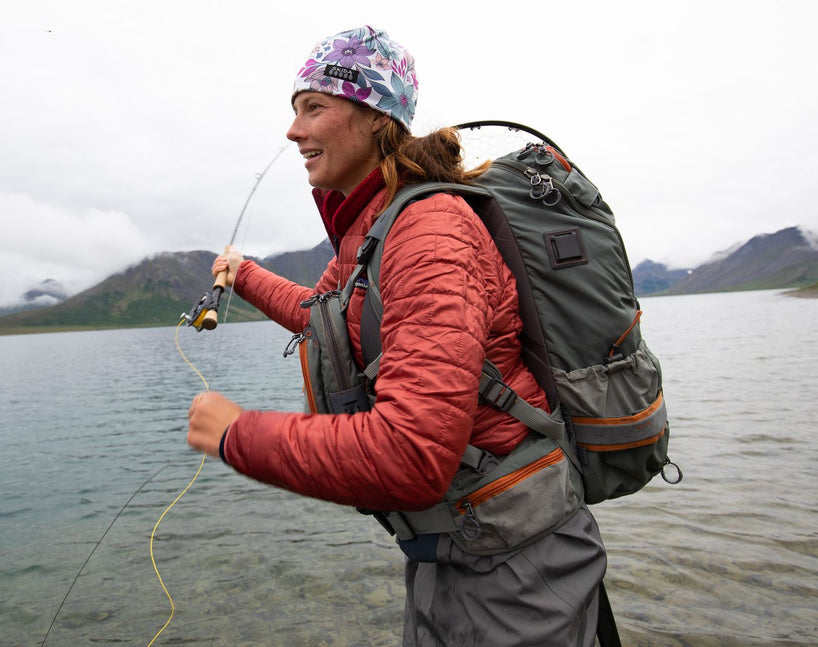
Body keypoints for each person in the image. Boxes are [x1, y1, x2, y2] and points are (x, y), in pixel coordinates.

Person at [187, 25, 607, 646]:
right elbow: (326, 316)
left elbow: (410, 455)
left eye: (313, 107)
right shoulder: (374, 226)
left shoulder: (430, 231)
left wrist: (238, 435)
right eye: (292, 110)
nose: (292, 130)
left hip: (517, 564)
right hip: (457, 550)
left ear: (374, 115)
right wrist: (245, 276)